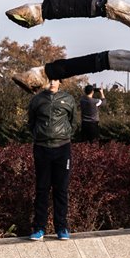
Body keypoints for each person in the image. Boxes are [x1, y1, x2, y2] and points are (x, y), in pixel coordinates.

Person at [28, 78, 78, 241]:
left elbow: (74, 123)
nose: (51, 83)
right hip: (41, 148)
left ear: (60, 81)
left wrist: (64, 136)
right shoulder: (37, 99)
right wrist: (40, 135)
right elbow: (31, 123)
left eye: (54, 79)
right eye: (48, 80)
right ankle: (39, 228)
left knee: (61, 189)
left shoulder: (68, 99)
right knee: (42, 189)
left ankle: (62, 227)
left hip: (62, 148)